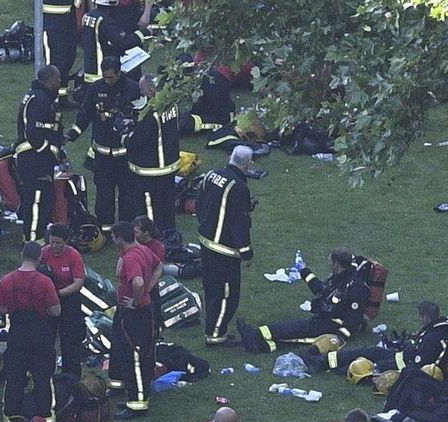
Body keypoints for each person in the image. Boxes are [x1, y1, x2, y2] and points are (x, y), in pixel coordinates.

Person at [240, 250, 374, 354]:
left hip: (333, 325)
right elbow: (322, 291)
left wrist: (340, 337)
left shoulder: (356, 286)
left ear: (336, 264)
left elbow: (354, 316)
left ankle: (256, 335)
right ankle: (259, 345)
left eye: (330, 261)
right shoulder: (340, 277)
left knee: (296, 328)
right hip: (326, 318)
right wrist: (304, 270)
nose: (328, 264)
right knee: (294, 335)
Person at [0, 242, 60, 422]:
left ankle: (10, 414)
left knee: (14, 374)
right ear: (39, 257)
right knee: (43, 376)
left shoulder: (7, 280)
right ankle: (45, 415)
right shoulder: (44, 281)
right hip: (41, 334)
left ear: (22, 255)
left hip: (17, 332)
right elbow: (55, 311)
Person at [196, 146, 255, 345]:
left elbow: (199, 201)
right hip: (224, 250)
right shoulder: (239, 187)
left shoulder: (211, 175)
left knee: (211, 288)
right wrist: (246, 252)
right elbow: (238, 223)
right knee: (226, 295)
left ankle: (212, 328)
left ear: (231, 157)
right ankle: (215, 335)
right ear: (248, 165)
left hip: (206, 242)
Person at [74, 55, 140, 229]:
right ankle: (105, 227)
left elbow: (139, 118)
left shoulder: (132, 89)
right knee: (104, 192)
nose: (107, 80)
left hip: (125, 155)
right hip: (102, 155)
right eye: (104, 77)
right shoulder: (96, 88)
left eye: (110, 77)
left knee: (127, 193)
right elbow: (85, 113)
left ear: (119, 73)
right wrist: (74, 133)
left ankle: (126, 227)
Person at [108, 221, 159, 416]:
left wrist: (138, 300)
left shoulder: (132, 258)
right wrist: (149, 289)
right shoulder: (142, 250)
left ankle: (138, 403)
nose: (112, 240)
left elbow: (137, 282)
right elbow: (158, 266)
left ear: (120, 238)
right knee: (122, 350)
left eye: (113, 237)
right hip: (134, 312)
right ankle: (127, 389)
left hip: (135, 315)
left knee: (135, 357)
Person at [127, 78, 182, 239]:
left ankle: (152, 237)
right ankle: (170, 233)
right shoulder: (172, 105)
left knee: (149, 207)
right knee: (167, 205)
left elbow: (137, 140)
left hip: (149, 170)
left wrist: (125, 135)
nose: (142, 93)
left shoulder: (150, 113)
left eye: (143, 89)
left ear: (151, 89)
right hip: (170, 166)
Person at [13, 67, 64, 242]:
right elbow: (34, 132)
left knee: (43, 200)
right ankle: (32, 242)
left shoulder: (41, 98)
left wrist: (60, 153)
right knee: (36, 201)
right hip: (34, 159)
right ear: (50, 81)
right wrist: (48, 152)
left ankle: (37, 238)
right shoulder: (40, 100)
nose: (60, 83)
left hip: (35, 158)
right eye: (58, 80)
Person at [40, 222, 87, 378]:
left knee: (70, 342)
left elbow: (78, 282)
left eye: (58, 243)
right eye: (51, 241)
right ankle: (46, 374)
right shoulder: (43, 253)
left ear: (66, 242)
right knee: (46, 339)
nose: (53, 246)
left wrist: (58, 294)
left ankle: (71, 377)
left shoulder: (73, 255)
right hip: (47, 302)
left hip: (68, 300)